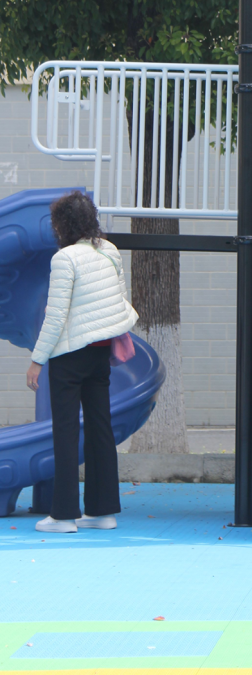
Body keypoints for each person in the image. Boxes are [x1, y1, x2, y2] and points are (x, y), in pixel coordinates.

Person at [26, 191, 138, 534]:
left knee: (65, 430)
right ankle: (103, 511)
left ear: (62, 225)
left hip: (69, 354)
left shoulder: (65, 258)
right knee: (100, 427)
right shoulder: (110, 250)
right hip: (100, 352)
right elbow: (120, 299)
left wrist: (37, 360)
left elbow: (56, 316)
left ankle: (63, 515)